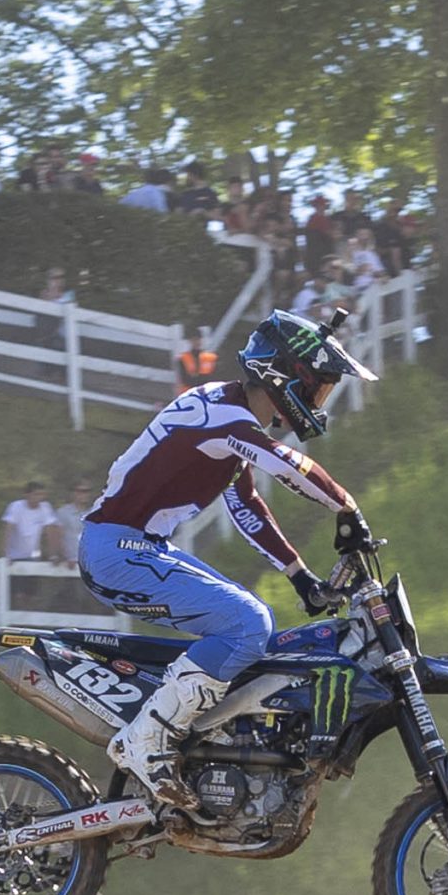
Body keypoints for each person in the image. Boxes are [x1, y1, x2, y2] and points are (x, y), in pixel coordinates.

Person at [78, 308, 375, 810]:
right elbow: (286, 465)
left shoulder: (226, 411)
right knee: (247, 622)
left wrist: (299, 575)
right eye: (319, 387)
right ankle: (147, 740)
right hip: (118, 549)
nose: (320, 400)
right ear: (286, 376)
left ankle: (196, 751)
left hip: (135, 546)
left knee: (252, 624)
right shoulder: (229, 418)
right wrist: (345, 507)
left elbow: (245, 504)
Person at [0, 481, 54, 561]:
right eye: (36, 494)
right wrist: (5, 554)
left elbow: (50, 532)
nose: (39, 497)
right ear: (27, 495)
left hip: (34, 556)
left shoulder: (45, 508)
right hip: (15, 556)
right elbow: (8, 530)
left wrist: (53, 554)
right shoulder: (16, 506)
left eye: (42, 494)